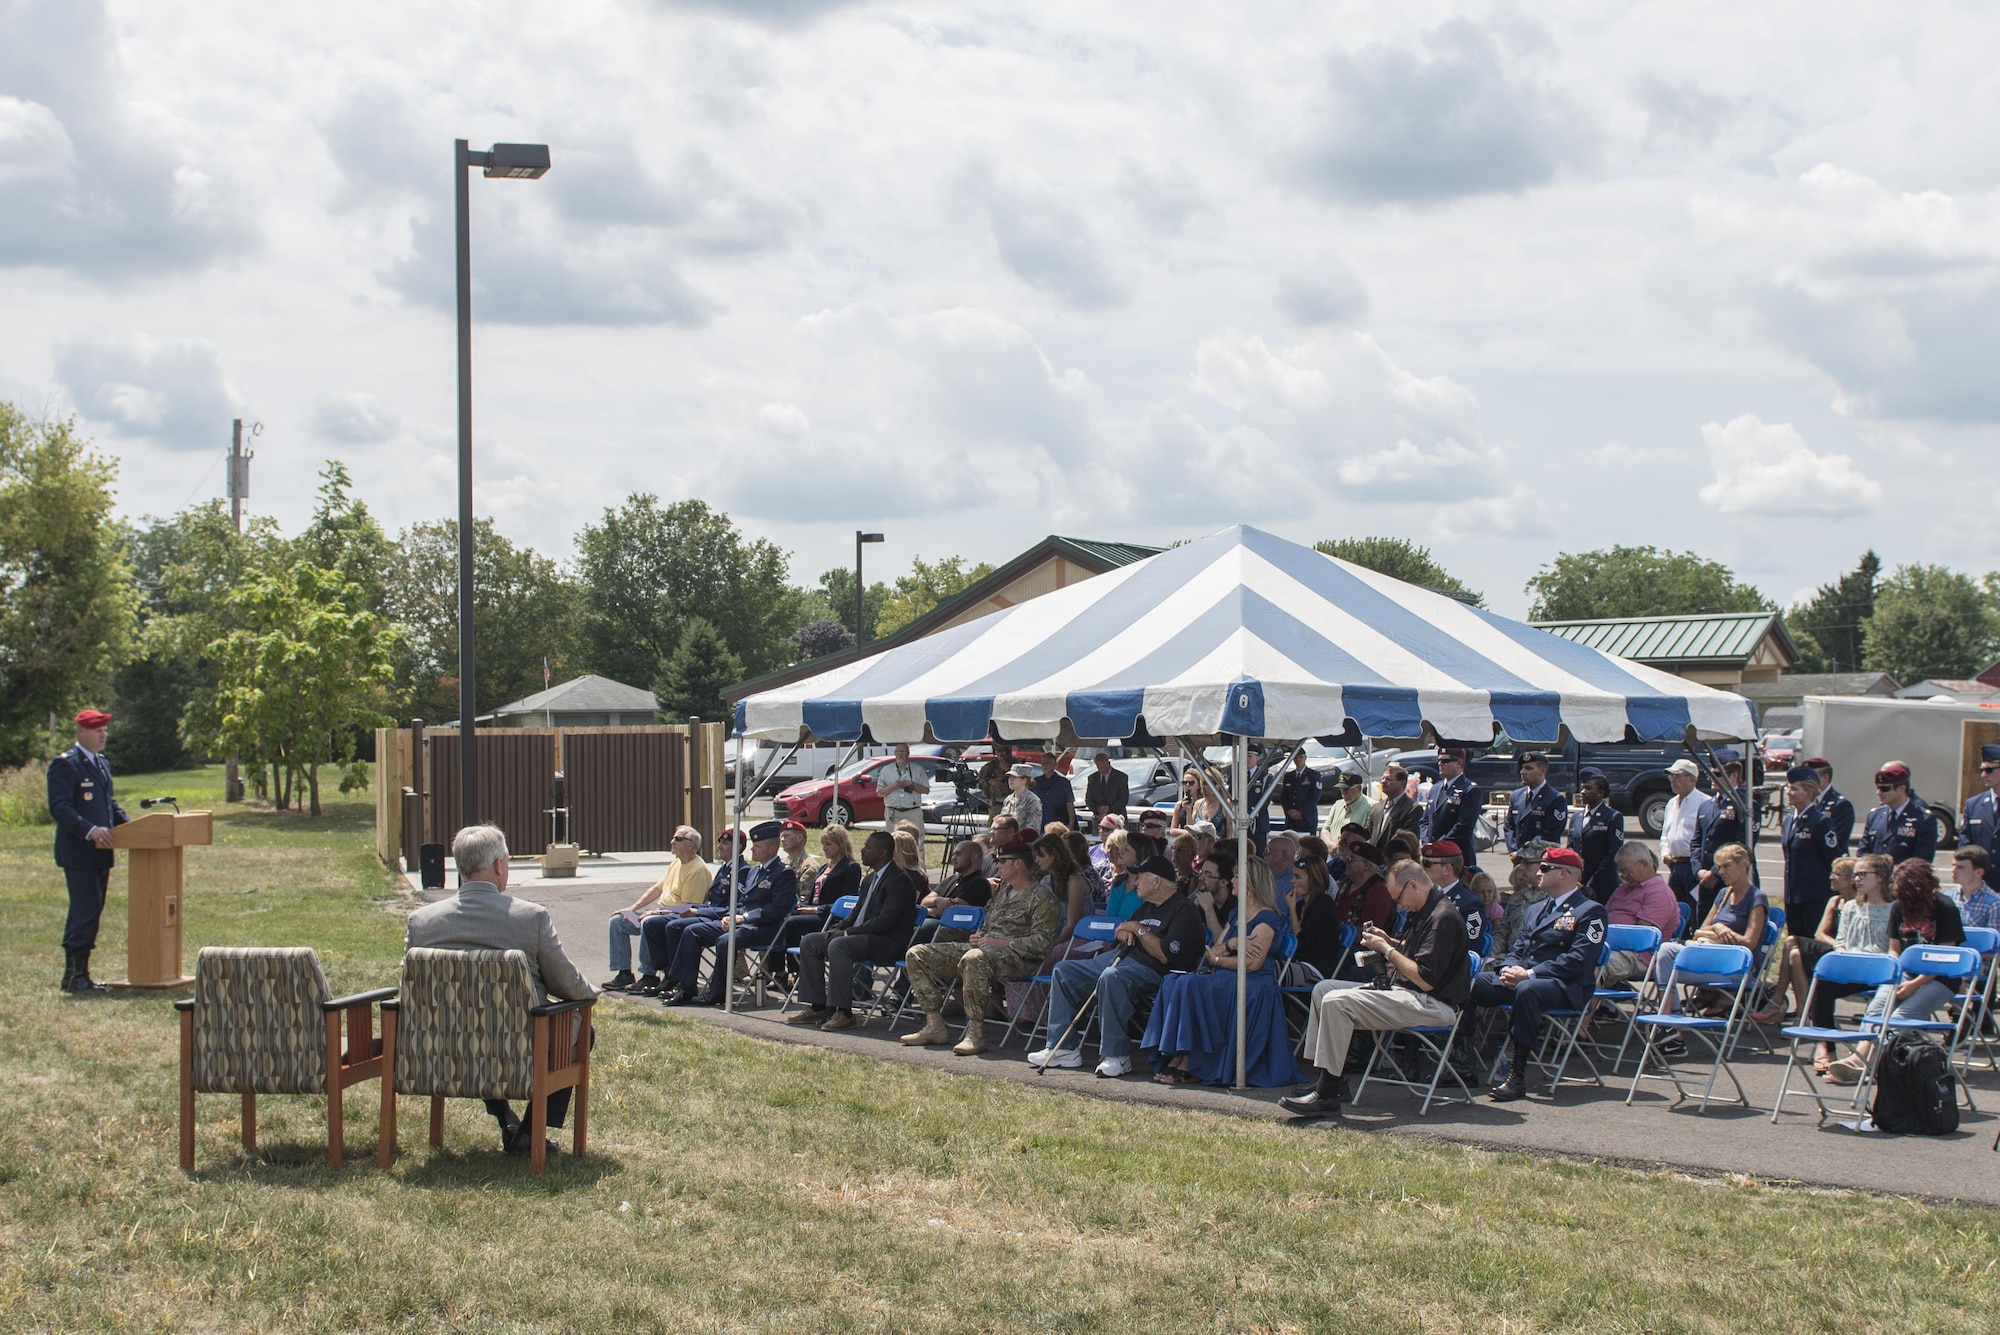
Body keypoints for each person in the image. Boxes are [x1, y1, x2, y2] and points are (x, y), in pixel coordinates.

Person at [406, 824, 596, 1157]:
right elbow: (567, 985)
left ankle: (508, 1119)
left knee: (476, 1021)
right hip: (519, 1045)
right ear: (498, 866)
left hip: (442, 1046)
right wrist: (589, 992)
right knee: (581, 1031)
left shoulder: (421, 922)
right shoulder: (530, 918)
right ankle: (529, 1129)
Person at [1281, 858, 1473, 1119]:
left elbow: (1426, 979)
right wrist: (1391, 941)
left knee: (1337, 1002)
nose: (1399, 905)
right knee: (1323, 989)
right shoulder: (1426, 911)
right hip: (1410, 994)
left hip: (1433, 1004)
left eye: (1399, 898)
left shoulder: (1443, 917)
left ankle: (1326, 1095)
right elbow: (1418, 956)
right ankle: (1330, 1081)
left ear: (1413, 885)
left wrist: (1388, 950)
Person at [1029, 854, 1206, 1076]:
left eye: (1140, 878)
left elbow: (1164, 955)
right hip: (1121, 959)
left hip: (1157, 971)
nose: (1136, 882)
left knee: (1111, 976)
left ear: (1157, 882)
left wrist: (1138, 929)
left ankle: (1117, 1055)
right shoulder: (1147, 907)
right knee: (1064, 971)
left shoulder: (1183, 910)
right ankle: (1063, 1048)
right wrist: (1123, 929)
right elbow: (1123, 931)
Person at [898, 832, 1060, 1053]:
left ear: (1018, 864)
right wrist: (979, 935)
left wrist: (1001, 942)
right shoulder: (1003, 891)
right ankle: (934, 1025)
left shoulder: (1041, 897)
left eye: (1001, 861)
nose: (996, 865)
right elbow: (988, 920)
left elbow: (1042, 943)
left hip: (1018, 958)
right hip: (984, 950)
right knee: (917, 953)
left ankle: (975, 1033)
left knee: (974, 958)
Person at [1467, 847, 1607, 1101]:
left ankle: (1516, 1074)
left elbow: (1578, 961)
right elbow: (1517, 948)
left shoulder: (1590, 912)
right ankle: (1463, 1060)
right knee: (1471, 984)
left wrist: (1529, 974)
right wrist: (1507, 968)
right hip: (1524, 979)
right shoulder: (1536, 909)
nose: (1537, 872)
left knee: (1526, 990)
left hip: (1564, 986)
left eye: (1544, 868)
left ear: (1564, 873)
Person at [1144, 857, 1297, 1087]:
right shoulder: (1237, 915)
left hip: (1254, 982)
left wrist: (1219, 959)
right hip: (1229, 974)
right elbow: (1215, 949)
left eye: (1237, 876)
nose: (1232, 880)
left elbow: (1252, 963)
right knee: (1172, 981)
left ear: (1251, 883)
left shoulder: (1267, 917)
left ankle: (1190, 1061)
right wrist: (1230, 946)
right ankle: (1180, 1054)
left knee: (1191, 985)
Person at [1826, 858, 1967, 1084]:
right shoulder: (1899, 907)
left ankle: (1868, 1064)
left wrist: (1914, 985)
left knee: (1899, 1019)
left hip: (1940, 979)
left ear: (1918, 888)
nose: (1896, 892)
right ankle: (1859, 1059)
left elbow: (1944, 959)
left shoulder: (1944, 908)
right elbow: (1894, 950)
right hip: (1904, 974)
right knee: (1875, 1012)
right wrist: (1897, 979)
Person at [790, 830, 920, 1031]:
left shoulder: (899, 881)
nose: (862, 850)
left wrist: (847, 934)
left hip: (886, 942)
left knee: (840, 945)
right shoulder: (869, 879)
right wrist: (837, 929)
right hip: (862, 936)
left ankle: (843, 1012)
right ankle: (817, 1006)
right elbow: (855, 915)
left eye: (868, 848)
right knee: (811, 941)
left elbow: (886, 921)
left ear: (882, 853)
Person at [1645, 844, 1766, 1056]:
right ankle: (1671, 1027)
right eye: (1719, 867)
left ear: (1744, 864)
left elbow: (1749, 942)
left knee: (1666, 961)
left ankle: (1669, 1027)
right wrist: (1718, 930)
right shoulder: (1722, 895)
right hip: (1710, 957)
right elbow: (1700, 932)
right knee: (1665, 952)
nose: (1721, 872)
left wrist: (1717, 933)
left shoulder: (1756, 898)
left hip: (1734, 968)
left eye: (1727, 866)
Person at [1778, 855, 1889, 1074]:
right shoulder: (1850, 907)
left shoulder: (1894, 908)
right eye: (1855, 874)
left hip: (1880, 974)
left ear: (1881, 877)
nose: (1857, 879)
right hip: (1851, 968)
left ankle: (1864, 1053)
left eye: (1862, 874)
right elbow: (1841, 941)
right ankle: (1825, 1046)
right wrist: (1843, 953)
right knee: (1822, 983)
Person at [671, 821, 799, 1006]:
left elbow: (775, 910)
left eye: (757, 846)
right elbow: (743, 903)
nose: (752, 850)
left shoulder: (783, 874)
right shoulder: (755, 872)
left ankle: (717, 992)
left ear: (772, 849)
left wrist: (743, 918)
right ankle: (686, 987)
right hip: (741, 923)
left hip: (765, 928)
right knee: (693, 931)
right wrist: (731, 916)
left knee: (726, 940)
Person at [47, 708, 129, 993]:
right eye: (97, 730)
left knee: (93, 909)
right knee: (86, 909)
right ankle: (73, 975)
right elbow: (59, 807)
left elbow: (109, 806)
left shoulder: (102, 764)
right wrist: (89, 829)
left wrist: (133, 827)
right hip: (79, 851)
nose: (102, 734)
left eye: (104, 729)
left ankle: (81, 974)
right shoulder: (66, 765)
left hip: (101, 852)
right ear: (81, 732)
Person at [1765, 765, 1841, 1023]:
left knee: (1808, 954)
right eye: (1789, 787)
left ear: (1809, 793)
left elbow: (1833, 860)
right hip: (1794, 897)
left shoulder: (1821, 822)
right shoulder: (1790, 820)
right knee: (1794, 949)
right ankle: (1802, 1004)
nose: (1789, 792)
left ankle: (1813, 1006)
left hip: (1814, 898)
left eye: (1794, 788)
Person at [604, 825, 714, 991]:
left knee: (650, 921)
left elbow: (687, 908)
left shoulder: (697, 869)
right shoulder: (676, 863)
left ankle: (649, 976)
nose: (672, 842)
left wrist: (657, 912)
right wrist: (632, 909)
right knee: (618, 921)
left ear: (690, 844)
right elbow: (657, 889)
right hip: (661, 911)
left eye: (677, 839)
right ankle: (624, 973)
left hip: (678, 918)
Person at [633, 828, 742, 996]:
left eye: (725, 843)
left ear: (739, 847)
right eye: (720, 842)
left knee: (676, 926)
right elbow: (711, 903)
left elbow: (730, 907)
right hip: (707, 913)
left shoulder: (742, 871)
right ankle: (669, 974)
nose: (719, 846)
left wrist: (695, 911)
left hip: (722, 919)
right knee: (652, 924)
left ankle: (683, 984)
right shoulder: (725, 869)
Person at [762, 825, 863, 989]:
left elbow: (846, 901)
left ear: (840, 844)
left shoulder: (850, 867)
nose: (824, 848)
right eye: (823, 844)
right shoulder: (824, 867)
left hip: (830, 917)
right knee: (779, 919)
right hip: (812, 911)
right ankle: (780, 971)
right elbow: (812, 895)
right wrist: (802, 907)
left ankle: (798, 971)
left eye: (829, 844)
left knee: (789, 924)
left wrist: (815, 909)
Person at [1598, 843, 1679, 987]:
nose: (1623, 876)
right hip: (1610, 947)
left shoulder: (1659, 893)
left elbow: (1641, 939)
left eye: (1626, 871)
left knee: (1592, 963)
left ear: (1644, 864)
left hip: (1638, 956)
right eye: (1620, 872)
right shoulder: (1623, 889)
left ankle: (1587, 1008)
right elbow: (1602, 917)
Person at [1691, 757, 1757, 924]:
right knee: (1704, 926)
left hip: (1731, 879)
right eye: (1710, 774)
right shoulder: (1706, 805)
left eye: (1718, 774)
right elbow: (1697, 841)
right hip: (1705, 881)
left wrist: (1715, 872)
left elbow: (1742, 844)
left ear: (1734, 776)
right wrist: (1699, 871)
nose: (1711, 778)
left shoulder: (1745, 804)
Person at [1857, 761, 1936, 866]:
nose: (1878, 793)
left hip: (1904, 880)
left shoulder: (1923, 818)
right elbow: (1863, 852)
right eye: (1878, 788)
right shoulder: (1874, 816)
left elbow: (1922, 861)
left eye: (1884, 789)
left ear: (1901, 789)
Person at [1658, 759, 1713, 909]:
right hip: (1675, 865)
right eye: (1671, 777)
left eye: (1677, 776)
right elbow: (1665, 833)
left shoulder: (1705, 803)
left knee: (1695, 907)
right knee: (1675, 908)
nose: (1673, 781)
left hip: (1693, 865)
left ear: (1691, 779)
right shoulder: (1671, 803)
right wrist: (1665, 854)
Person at [1418, 841, 1489, 956]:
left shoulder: (1470, 904)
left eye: (1427, 863)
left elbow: (1468, 949)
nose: (1422, 868)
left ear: (1447, 869)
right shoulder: (1423, 898)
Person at [1288, 836, 1343, 980]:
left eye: (1298, 877)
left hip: (1314, 971)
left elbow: (1301, 945)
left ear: (1313, 879)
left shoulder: (1324, 905)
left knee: (1268, 971)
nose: (1292, 881)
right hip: (1297, 964)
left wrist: (1292, 912)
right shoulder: (1301, 905)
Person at [1566, 769, 1625, 902]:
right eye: (1582, 788)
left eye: (1588, 788)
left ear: (1601, 792)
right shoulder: (1576, 817)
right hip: (1577, 884)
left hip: (1602, 885)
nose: (1583, 792)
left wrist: (1591, 883)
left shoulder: (1612, 817)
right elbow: (1570, 848)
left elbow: (1612, 854)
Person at [1423, 748, 1482, 873]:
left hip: (1457, 855)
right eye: (1438, 760)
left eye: (1446, 760)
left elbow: (1463, 826)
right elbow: (1425, 820)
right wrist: (1426, 841)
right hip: (1433, 855)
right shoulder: (1436, 788)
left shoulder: (1469, 790)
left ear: (1459, 763)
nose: (1440, 764)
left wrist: (1440, 845)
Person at [1505, 751, 1568, 862]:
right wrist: (1513, 851)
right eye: (1522, 768)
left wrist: (1521, 853)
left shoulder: (1555, 799)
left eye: (1529, 768)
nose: (1522, 772)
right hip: (1518, 860)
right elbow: (1509, 826)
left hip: (1540, 860)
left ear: (1542, 771)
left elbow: (1550, 834)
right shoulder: (1516, 795)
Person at [1035, 832, 1095, 946]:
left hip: (1079, 939)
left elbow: (1072, 924)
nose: (1036, 860)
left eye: (1041, 855)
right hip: (1054, 935)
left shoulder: (1075, 881)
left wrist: (1052, 945)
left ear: (1054, 855)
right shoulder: (1046, 881)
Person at [1960, 745, 2000, 892]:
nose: (1984, 775)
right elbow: (1965, 846)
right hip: (1981, 887)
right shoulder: (1973, 805)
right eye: (1981, 770)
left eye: (1989, 770)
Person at [1806, 756, 1856, 858]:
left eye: (1810, 778)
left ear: (1825, 778)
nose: (1806, 782)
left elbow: (1836, 842)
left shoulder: (1840, 805)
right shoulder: (1805, 801)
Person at [1367, 763, 1424, 851]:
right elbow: (1368, 834)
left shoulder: (1412, 808)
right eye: (1383, 778)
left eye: (1389, 779)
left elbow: (1409, 842)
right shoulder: (1376, 808)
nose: (1383, 782)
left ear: (1402, 783)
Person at [878, 743, 928, 840]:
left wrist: (911, 784)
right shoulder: (886, 770)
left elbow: (926, 790)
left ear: (908, 754)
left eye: (903, 751)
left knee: (918, 840)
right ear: (895, 753)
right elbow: (880, 793)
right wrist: (894, 785)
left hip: (912, 811)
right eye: (898, 751)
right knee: (891, 841)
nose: (900, 754)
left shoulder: (918, 770)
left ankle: (918, 856)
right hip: (893, 812)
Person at [1950, 844, 2000, 931]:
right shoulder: (1949, 897)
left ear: (1979, 872)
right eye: (1953, 865)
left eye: (1960, 867)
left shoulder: (1993, 903)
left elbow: (1994, 940)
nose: (1953, 871)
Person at [1277, 749, 1322, 835]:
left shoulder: (1313, 775)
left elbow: (1314, 797)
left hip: (1307, 819)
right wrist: (1289, 811)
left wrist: (1301, 812)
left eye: (1301, 757)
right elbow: (1284, 797)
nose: (1298, 760)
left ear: (1305, 758)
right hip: (1291, 820)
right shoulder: (1289, 776)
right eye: (1296, 758)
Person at [1323, 771, 1371, 848]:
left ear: (1359, 788)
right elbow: (1326, 829)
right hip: (1333, 853)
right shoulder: (1337, 804)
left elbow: (1368, 837)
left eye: (1347, 789)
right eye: (1341, 789)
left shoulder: (1371, 807)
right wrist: (1329, 844)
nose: (1343, 793)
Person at [1033, 750, 1077, 832]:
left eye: (1048, 763)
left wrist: (1071, 823)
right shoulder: (1036, 782)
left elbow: (1069, 804)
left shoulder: (1063, 782)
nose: (1045, 766)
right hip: (1039, 823)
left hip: (1058, 822)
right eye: (1043, 763)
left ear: (1055, 765)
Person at [1084, 752, 1130, 827]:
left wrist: (1108, 810)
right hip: (1099, 819)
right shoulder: (1092, 778)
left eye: (1104, 767)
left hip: (1117, 819)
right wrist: (1098, 809)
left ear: (1108, 763)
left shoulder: (1121, 777)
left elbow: (1123, 799)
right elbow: (1089, 800)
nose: (1103, 770)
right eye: (1100, 768)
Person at [779, 818, 825, 887]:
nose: (782, 840)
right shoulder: (781, 863)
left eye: (787, 836)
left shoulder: (809, 867)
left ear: (799, 837)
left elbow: (805, 896)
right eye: (782, 836)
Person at [1262, 830, 1299, 911]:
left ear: (1283, 855)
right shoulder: (1267, 876)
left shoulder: (1293, 881)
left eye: (1268, 850)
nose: (1264, 853)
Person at [1001, 763, 1043, 831]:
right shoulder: (1008, 800)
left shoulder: (1033, 801)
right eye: (1010, 777)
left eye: (1014, 777)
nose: (1010, 780)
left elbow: (1032, 830)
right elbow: (1002, 823)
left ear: (1024, 780)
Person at [977, 744, 1014, 812]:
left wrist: (1008, 770)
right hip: (996, 804)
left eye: (1002, 751)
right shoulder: (990, 767)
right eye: (998, 751)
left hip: (1013, 805)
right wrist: (989, 780)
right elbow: (979, 782)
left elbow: (1023, 781)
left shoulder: (1015, 764)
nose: (1000, 753)